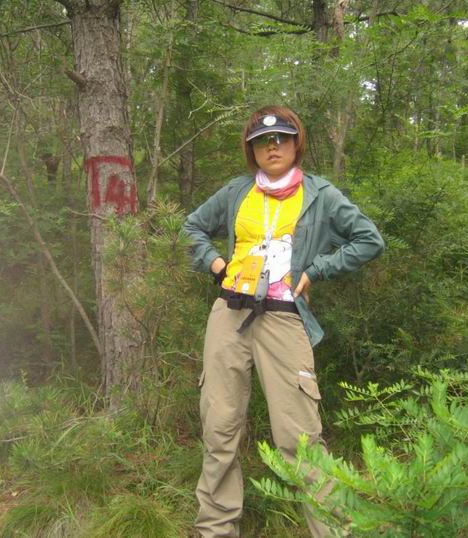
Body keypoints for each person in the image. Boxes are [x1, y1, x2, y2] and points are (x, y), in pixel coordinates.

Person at [182, 105, 385, 538]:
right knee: (219, 430)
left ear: (296, 143)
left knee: (299, 438)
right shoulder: (237, 192)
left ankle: (333, 531)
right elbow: (192, 228)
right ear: (251, 150)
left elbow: (369, 239)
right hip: (228, 314)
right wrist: (216, 264)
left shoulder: (320, 194)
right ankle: (215, 529)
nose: (272, 146)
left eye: (281, 138)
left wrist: (317, 270)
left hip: (283, 317)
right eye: (261, 141)